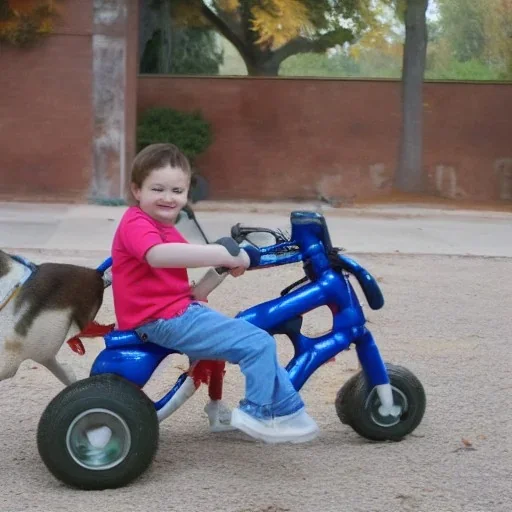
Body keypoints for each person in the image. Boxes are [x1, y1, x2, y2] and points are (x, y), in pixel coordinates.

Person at [111, 142, 319, 444]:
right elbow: (156, 256)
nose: (168, 198)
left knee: (250, 333)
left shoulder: (165, 227)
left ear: (186, 193)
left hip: (175, 310)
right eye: (158, 190)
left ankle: (288, 411)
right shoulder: (137, 223)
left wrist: (223, 267)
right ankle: (255, 413)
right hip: (160, 319)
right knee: (258, 342)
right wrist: (220, 254)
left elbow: (182, 286)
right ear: (136, 190)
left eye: (177, 191)